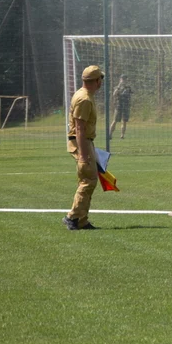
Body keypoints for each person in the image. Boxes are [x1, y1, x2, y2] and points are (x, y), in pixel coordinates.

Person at [64, 65, 105, 231]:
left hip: (86, 142)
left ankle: (81, 220)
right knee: (87, 180)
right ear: (96, 81)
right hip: (81, 142)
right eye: (100, 78)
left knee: (90, 180)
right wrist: (83, 154)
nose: (101, 81)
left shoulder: (86, 95)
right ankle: (72, 217)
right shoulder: (84, 99)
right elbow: (79, 128)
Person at [109, 74, 133, 139]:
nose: (124, 80)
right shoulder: (117, 87)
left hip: (126, 106)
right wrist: (119, 86)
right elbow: (114, 94)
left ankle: (122, 135)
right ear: (120, 79)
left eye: (125, 79)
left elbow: (131, 95)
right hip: (118, 106)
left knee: (124, 121)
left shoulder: (128, 88)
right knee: (115, 120)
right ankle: (110, 134)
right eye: (123, 79)